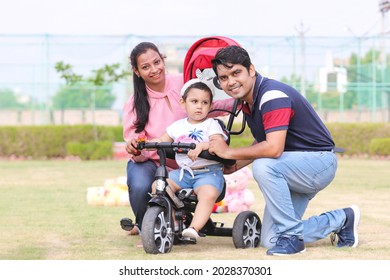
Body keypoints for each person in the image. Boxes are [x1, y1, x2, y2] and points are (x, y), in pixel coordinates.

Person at [208, 45, 360, 256]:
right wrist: (232, 166)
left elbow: (273, 148)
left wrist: (228, 152)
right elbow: (262, 142)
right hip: (292, 167)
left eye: (236, 73)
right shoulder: (248, 100)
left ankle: (293, 240)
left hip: (318, 163)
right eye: (223, 78)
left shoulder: (272, 96)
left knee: (264, 165)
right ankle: (342, 219)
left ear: (251, 70)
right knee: (270, 240)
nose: (231, 81)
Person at [121, 42, 235, 236]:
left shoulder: (184, 83)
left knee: (199, 185)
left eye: (157, 62)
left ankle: (184, 224)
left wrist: (242, 100)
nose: (154, 69)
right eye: (145, 67)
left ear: (163, 60)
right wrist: (134, 146)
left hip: (190, 160)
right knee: (142, 185)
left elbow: (210, 105)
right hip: (154, 160)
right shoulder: (134, 102)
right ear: (137, 71)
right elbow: (133, 138)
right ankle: (146, 227)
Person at [149, 80, 227, 240]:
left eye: (205, 102)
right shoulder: (177, 126)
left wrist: (202, 146)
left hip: (208, 173)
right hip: (183, 173)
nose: (199, 106)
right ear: (183, 103)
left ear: (210, 105)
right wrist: (146, 143)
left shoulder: (211, 125)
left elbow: (218, 143)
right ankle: (173, 222)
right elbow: (162, 140)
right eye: (194, 101)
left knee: (208, 194)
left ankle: (193, 228)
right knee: (159, 185)